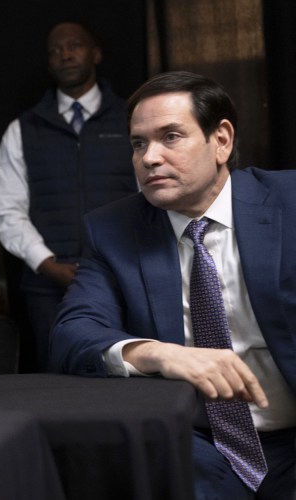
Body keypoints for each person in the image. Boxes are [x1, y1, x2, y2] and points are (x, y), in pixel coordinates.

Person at [51, 71, 296, 499]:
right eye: (139, 143)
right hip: (201, 446)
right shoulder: (112, 230)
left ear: (221, 140)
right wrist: (159, 353)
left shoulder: (288, 204)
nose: (149, 158)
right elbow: (72, 333)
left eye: (171, 137)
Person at [0, 21, 137, 371]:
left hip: (124, 276)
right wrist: (47, 263)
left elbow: (154, 195)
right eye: (55, 50)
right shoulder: (23, 129)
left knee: (128, 376)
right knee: (57, 383)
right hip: (48, 286)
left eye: (75, 45)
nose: (65, 54)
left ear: (96, 53)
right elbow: (5, 210)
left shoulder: (132, 120)